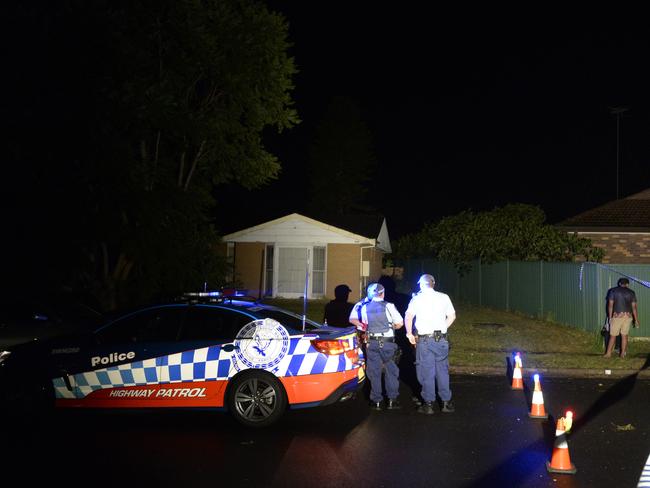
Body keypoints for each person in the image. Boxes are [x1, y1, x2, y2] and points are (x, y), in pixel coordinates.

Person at [405, 274, 456, 415]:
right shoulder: (444, 297)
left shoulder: (417, 299)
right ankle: (446, 403)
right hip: (441, 340)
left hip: (425, 341)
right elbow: (452, 316)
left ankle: (428, 405)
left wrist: (409, 333)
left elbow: (409, 316)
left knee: (426, 372)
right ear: (433, 283)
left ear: (421, 284)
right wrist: (442, 328)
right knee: (442, 371)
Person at [349, 282, 404, 410]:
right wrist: (392, 326)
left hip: (371, 343)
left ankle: (376, 401)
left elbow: (361, 322)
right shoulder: (389, 306)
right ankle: (392, 400)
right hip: (388, 342)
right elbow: (400, 323)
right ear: (383, 293)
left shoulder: (363, 307)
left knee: (374, 372)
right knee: (391, 370)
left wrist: (365, 327)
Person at [604, 277, 639, 358]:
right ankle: (622, 354)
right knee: (624, 335)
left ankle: (608, 353)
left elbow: (610, 305)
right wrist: (636, 320)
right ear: (627, 284)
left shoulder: (613, 291)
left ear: (619, 283)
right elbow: (634, 307)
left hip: (617, 316)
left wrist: (610, 317)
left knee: (613, 336)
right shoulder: (631, 292)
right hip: (628, 316)